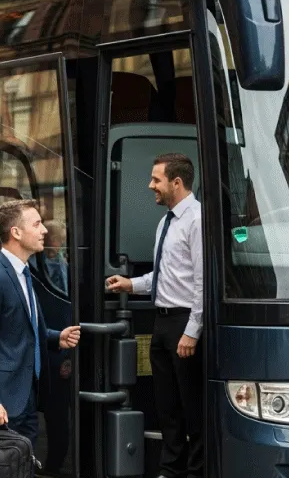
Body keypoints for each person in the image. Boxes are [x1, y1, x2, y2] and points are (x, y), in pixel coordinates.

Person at [106, 153, 203, 478]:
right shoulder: (166, 221)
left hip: (183, 322)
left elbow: (203, 282)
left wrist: (192, 331)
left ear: (177, 182)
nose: (150, 186)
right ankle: (170, 469)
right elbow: (164, 276)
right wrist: (130, 284)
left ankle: (195, 471)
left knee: (192, 406)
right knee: (167, 405)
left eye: (156, 179)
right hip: (162, 323)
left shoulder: (197, 220)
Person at [0, 199, 80, 447]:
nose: (45, 230)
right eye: (37, 224)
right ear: (16, 233)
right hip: (3, 402)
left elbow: (22, 327)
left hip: (25, 397)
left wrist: (54, 337)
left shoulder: (23, 272)